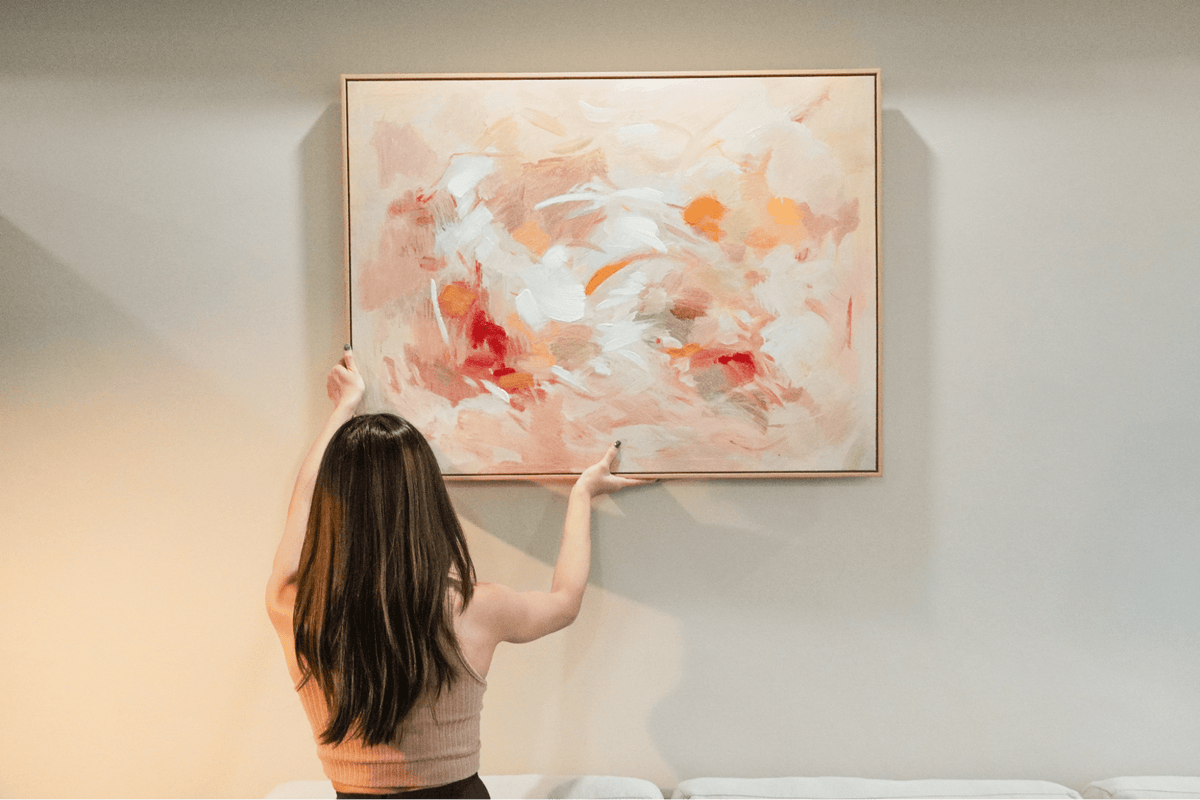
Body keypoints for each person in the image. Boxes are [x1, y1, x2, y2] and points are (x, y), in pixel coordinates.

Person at [266, 346, 647, 799]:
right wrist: (581, 495)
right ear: (427, 499)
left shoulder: (295, 608)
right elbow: (564, 601)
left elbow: (304, 506)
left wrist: (343, 409)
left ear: (335, 505)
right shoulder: (473, 606)